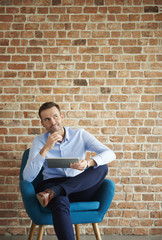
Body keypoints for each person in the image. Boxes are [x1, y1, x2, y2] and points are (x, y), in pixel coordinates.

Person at [23, 102, 116, 240]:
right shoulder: (39, 142)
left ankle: (55, 191)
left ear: (62, 116)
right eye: (47, 119)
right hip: (51, 185)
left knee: (102, 167)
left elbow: (110, 154)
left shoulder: (80, 134)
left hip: (79, 186)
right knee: (59, 202)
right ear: (42, 123)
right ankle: (55, 192)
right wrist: (46, 148)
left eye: (55, 116)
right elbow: (27, 177)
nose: (52, 122)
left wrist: (88, 162)